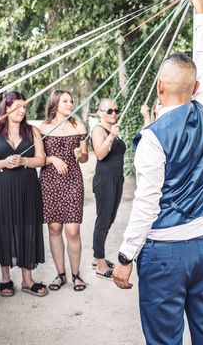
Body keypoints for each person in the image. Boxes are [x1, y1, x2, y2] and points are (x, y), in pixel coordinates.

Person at [113, 0, 203, 345]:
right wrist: (200, 9)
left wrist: (126, 255)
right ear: (194, 88)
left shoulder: (152, 138)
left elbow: (146, 202)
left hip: (164, 255)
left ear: (160, 87)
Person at [0, 91, 47, 297]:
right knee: (3, 227)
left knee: (27, 227)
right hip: (0, 187)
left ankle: (28, 280)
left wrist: (24, 161)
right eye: (17, 107)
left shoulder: (32, 131)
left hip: (27, 186)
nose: (22, 111)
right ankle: (5, 278)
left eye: (24, 107)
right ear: (7, 108)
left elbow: (42, 159)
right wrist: (3, 163)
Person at [39, 90, 89, 292]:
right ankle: (60, 274)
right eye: (65, 101)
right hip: (50, 181)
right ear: (55, 103)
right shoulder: (43, 128)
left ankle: (76, 274)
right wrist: (52, 159)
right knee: (54, 228)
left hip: (72, 180)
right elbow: (39, 157)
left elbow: (85, 158)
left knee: (73, 230)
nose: (70, 104)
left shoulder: (78, 126)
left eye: (71, 100)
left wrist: (81, 153)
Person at [90, 98, 126, 279]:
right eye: (109, 110)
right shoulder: (99, 130)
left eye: (115, 110)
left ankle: (98, 256)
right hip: (105, 180)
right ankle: (99, 262)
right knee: (103, 220)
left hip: (117, 178)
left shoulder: (113, 129)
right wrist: (111, 136)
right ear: (99, 113)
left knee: (109, 219)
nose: (114, 113)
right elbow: (100, 154)